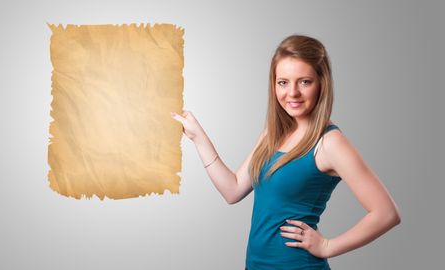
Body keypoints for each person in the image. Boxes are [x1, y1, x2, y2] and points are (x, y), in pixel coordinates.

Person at [170, 34, 401, 270]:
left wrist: (328, 246)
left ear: (322, 83)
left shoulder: (330, 143)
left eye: (304, 82)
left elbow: (386, 213)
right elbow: (233, 190)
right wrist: (199, 138)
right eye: (283, 82)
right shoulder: (273, 132)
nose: (292, 93)